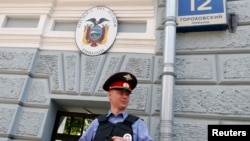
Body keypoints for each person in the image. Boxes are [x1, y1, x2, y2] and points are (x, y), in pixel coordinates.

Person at [79, 72, 153, 141]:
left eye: (127, 94)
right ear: (110, 95)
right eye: (121, 93)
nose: (125, 97)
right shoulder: (97, 123)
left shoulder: (137, 124)